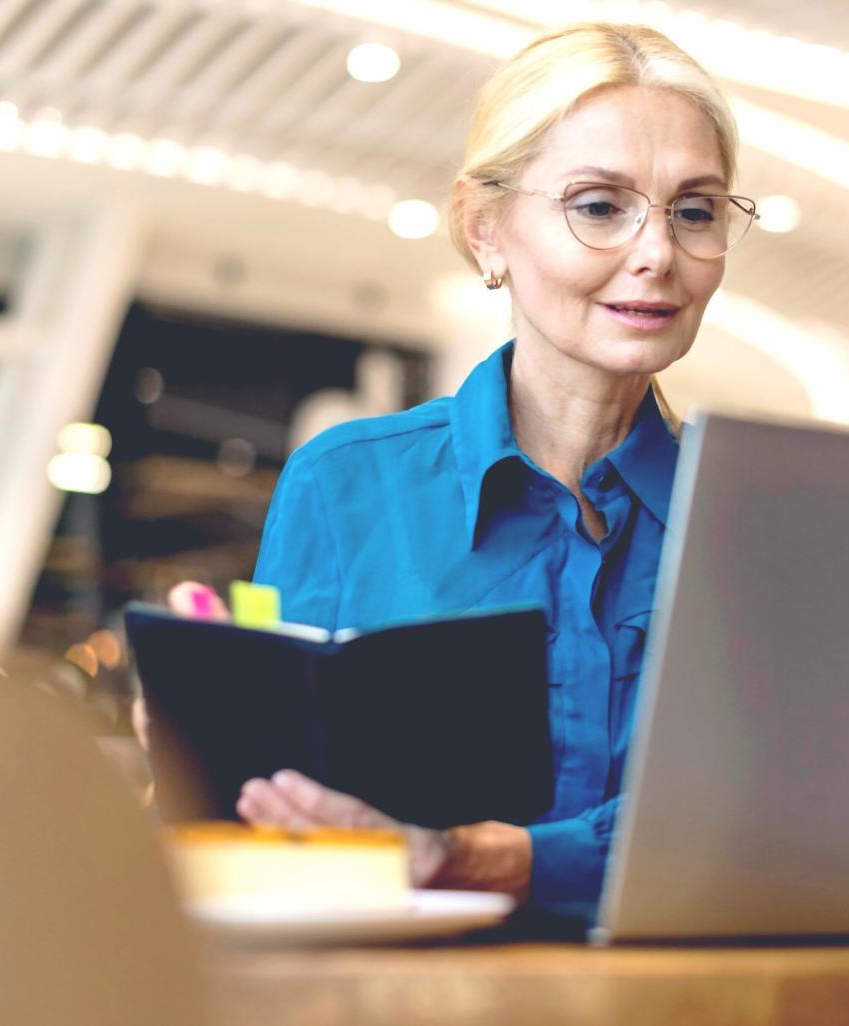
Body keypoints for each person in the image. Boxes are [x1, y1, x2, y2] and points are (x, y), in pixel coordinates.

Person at [167, 21, 758, 921]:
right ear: (487, 232)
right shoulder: (346, 489)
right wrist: (201, 755)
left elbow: (758, 841)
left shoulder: (752, 531)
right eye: (599, 205)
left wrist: (480, 858)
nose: (657, 254)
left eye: (694, 210)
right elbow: (284, 840)